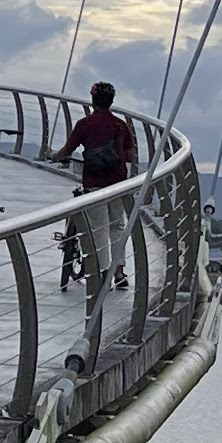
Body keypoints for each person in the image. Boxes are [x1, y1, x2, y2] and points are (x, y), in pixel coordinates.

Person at [62, 77, 138, 289]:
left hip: (94, 183)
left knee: (98, 228)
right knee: (117, 226)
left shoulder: (85, 124)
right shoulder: (120, 125)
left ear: (92, 99)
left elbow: (67, 150)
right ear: (111, 101)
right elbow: (131, 156)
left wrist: (55, 156)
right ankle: (120, 272)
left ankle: (102, 273)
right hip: (118, 184)